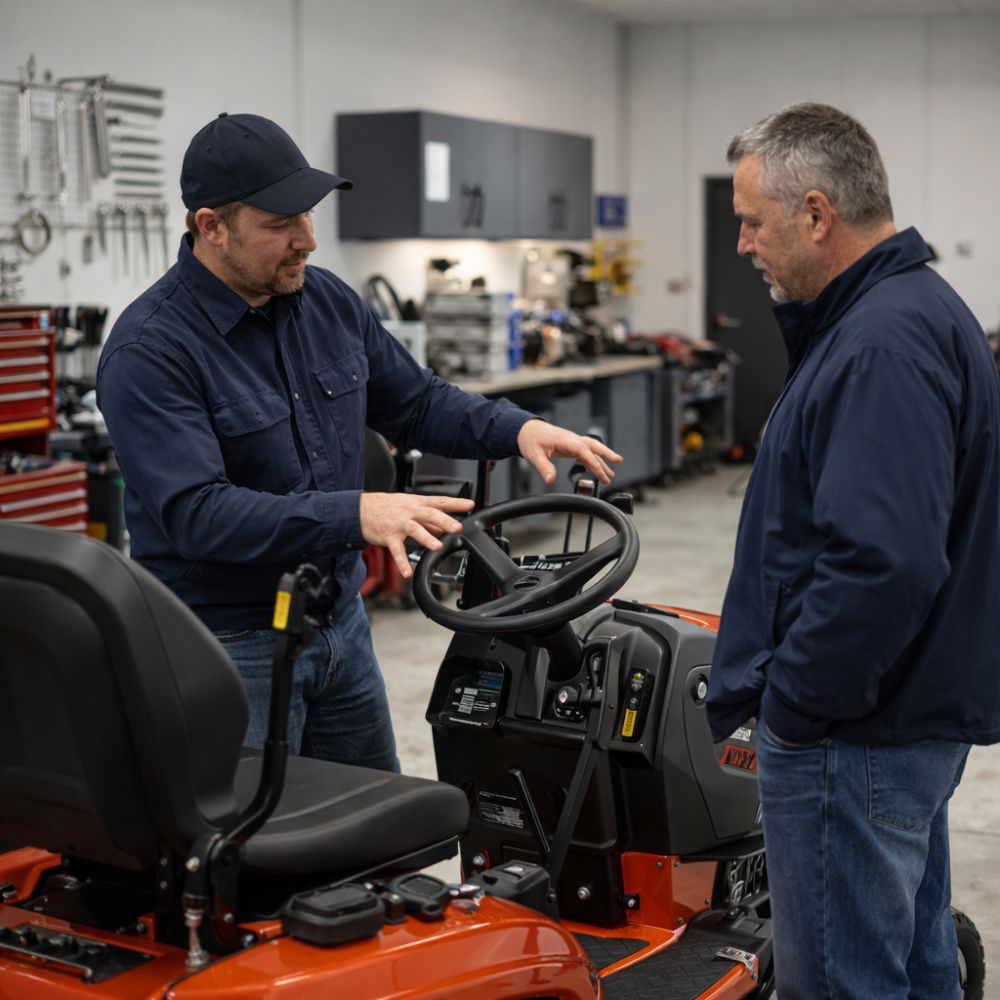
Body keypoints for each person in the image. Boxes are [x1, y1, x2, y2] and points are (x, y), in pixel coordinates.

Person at [96, 112, 621, 774]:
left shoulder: (327, 304)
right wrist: (357, 512)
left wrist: (516, 427)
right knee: (254, 851)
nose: (307, 240)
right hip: (228, 645)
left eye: (309, 216)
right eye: (280, 224)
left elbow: (417, 402)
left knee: (374, 836)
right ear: (211, 227)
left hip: (339, 620)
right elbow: (197, 514)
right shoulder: (151, 351)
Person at [706, 102, 1000, 999]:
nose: (746, 244)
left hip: (853, 734)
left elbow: (884, 563)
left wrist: (794, 709)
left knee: (841, 982)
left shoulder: (878, 343)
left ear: (817, 213)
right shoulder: (909, 311)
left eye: (753, 222)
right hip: (898, 722)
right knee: (913, 970)